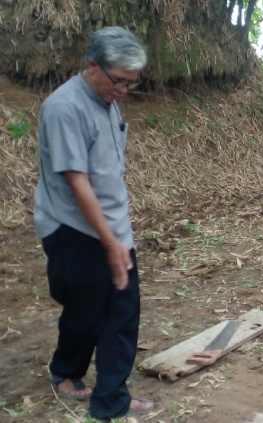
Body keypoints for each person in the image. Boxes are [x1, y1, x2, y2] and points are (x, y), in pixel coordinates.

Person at [34, 27, 153, 420]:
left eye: (129, 84)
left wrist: (118, 236)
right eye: (118, 80)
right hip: (73, 228)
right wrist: (109, 243)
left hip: (110, 226)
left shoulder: (108, 100)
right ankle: (66, 373)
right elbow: (77, 181)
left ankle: (109, 400)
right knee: (86, 311)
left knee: (122, 310)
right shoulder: (65, 107)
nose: (122, 90)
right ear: (91, 66)